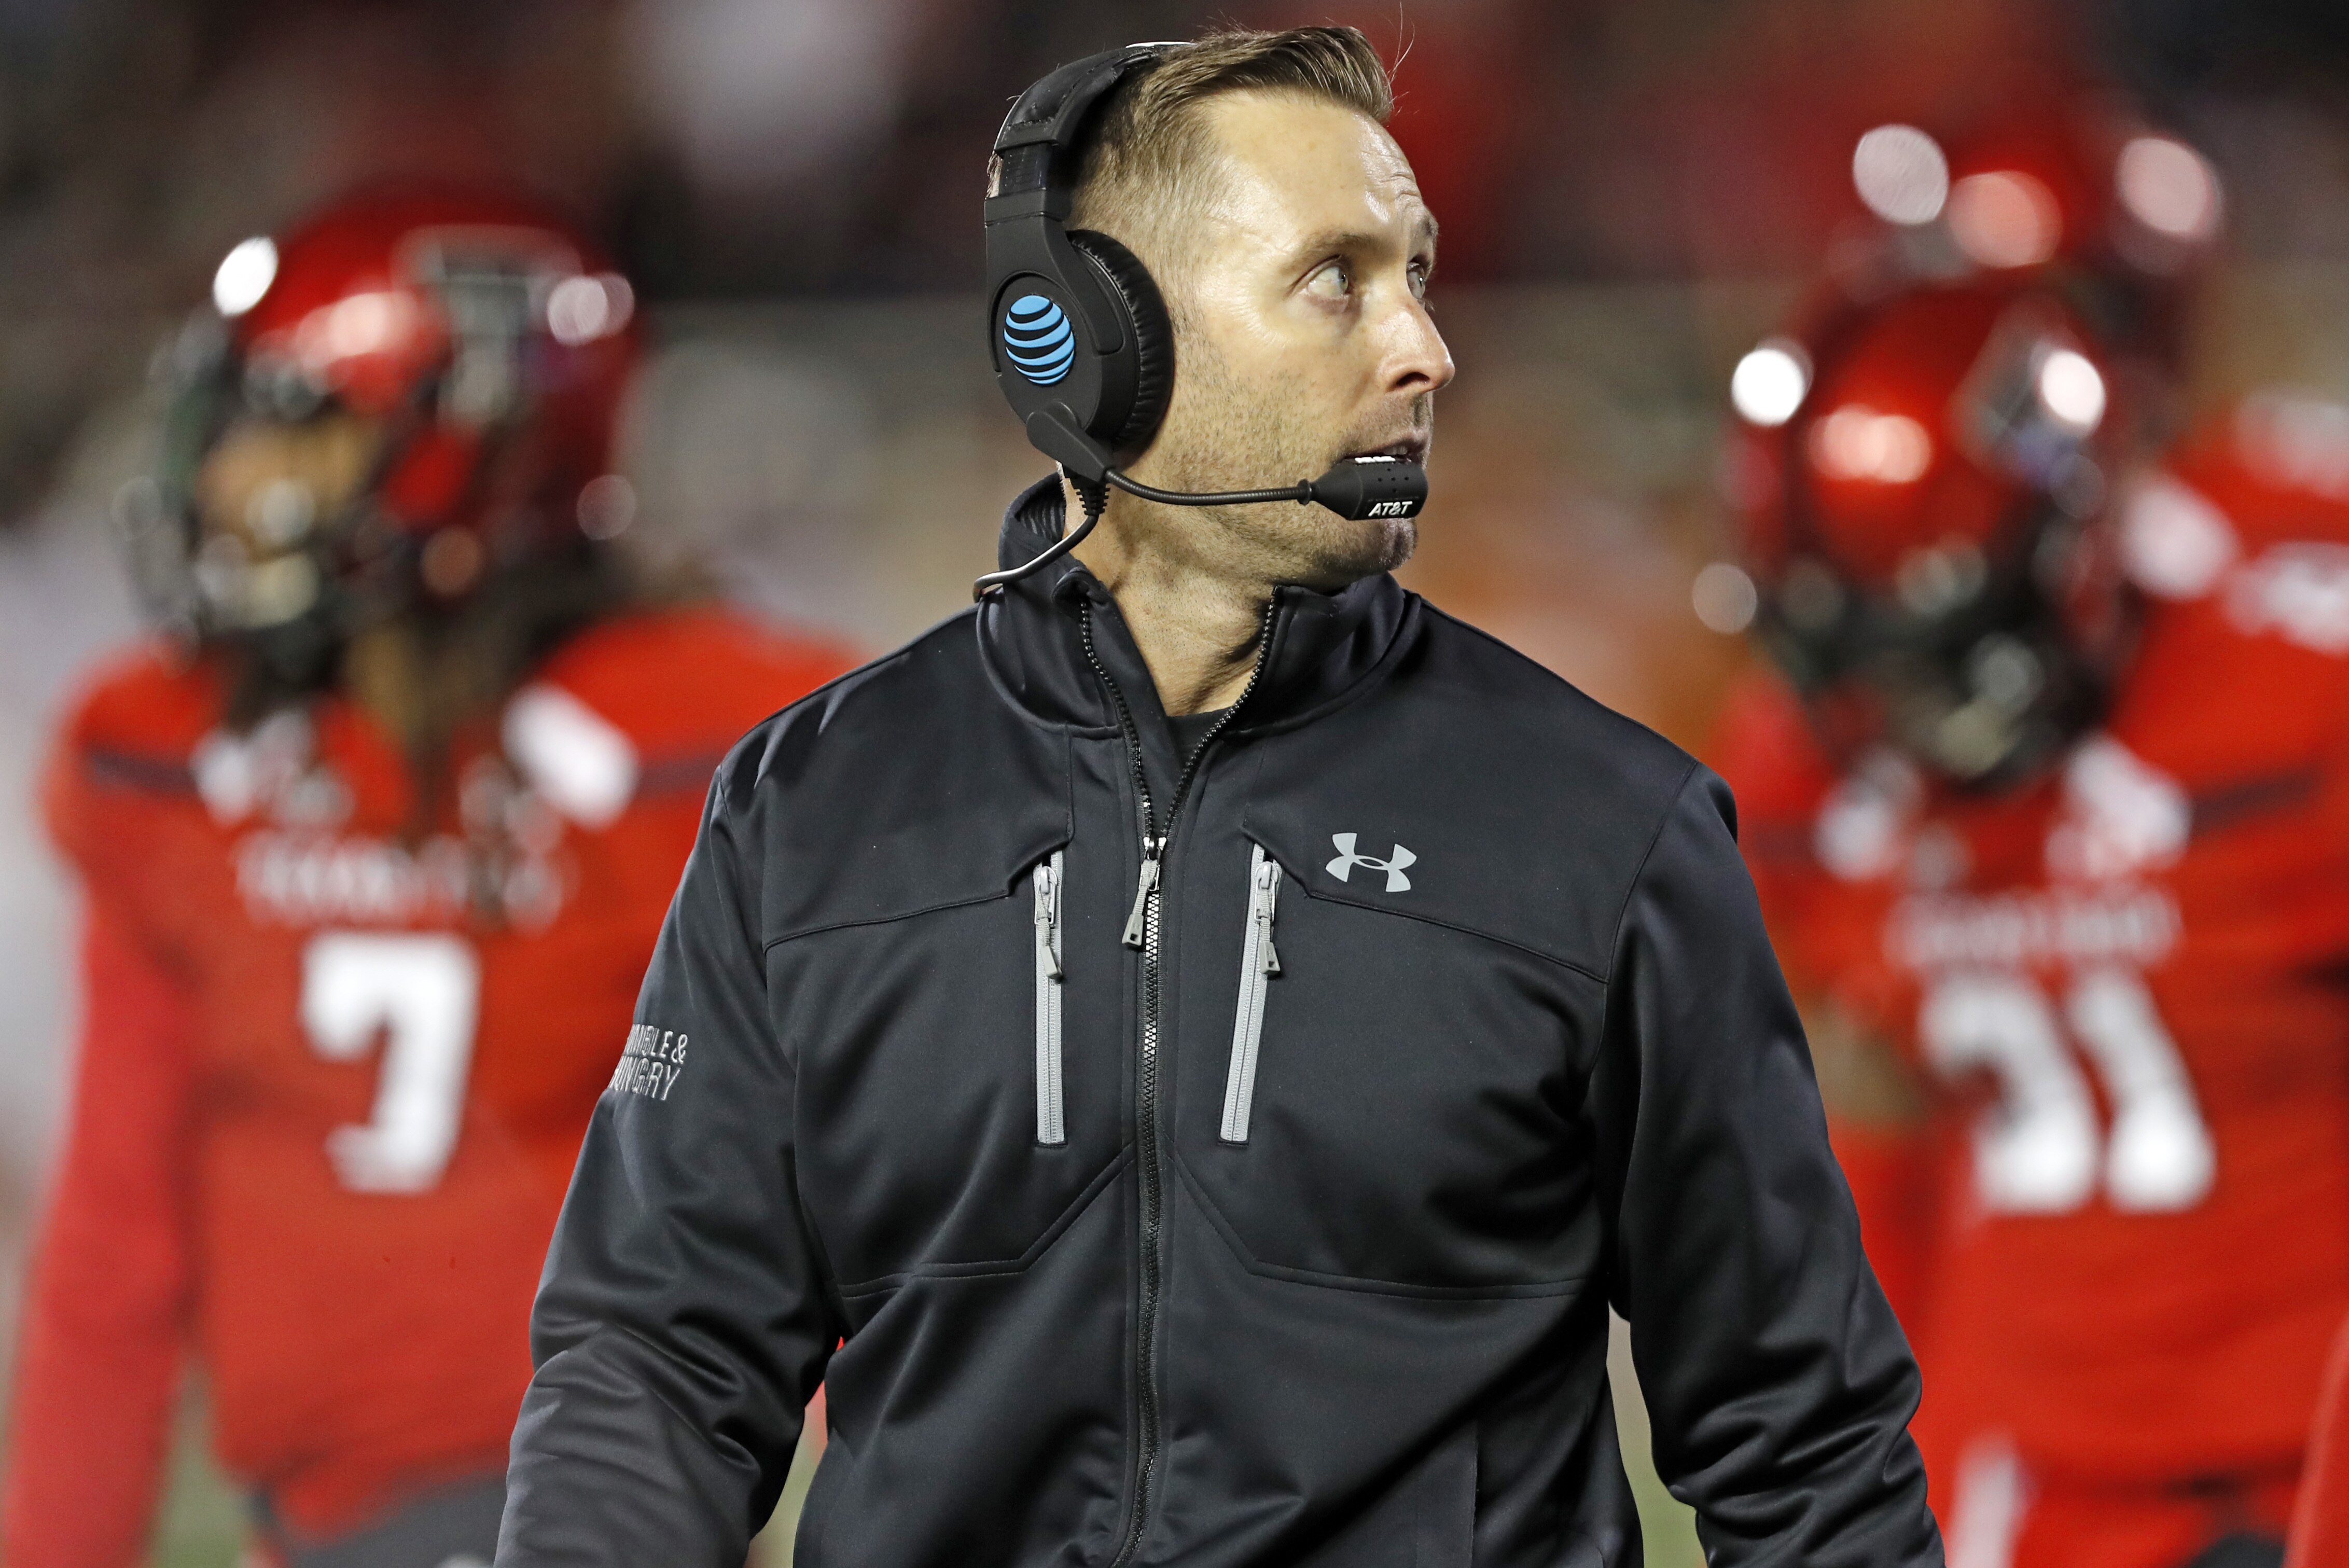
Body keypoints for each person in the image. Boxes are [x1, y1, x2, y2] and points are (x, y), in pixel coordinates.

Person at [495, 27, 1940, 1567]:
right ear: (1095, 340)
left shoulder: (1605, 829)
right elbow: (656, 1367)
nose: (1424, 351)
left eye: (1419, 276)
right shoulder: (813, 811)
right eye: (1338, 280)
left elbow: (1804, 1453)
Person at [3, 187, 849, 1565]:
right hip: (325, 1526)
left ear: (479, 442)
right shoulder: (175, 759)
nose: (231, 483)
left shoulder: (689, 758)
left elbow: (833, 1200)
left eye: (303, 426)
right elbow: (114, 1254)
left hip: (589, 1502)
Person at [1713, 261, 2349, 1564]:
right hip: (2039, 1468)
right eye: (1862, 662)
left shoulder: (2292, 707)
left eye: (1931, 656)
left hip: (2308, 1434)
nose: (1890, 717)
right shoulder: (1803, 780)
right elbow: (1870, 1097)